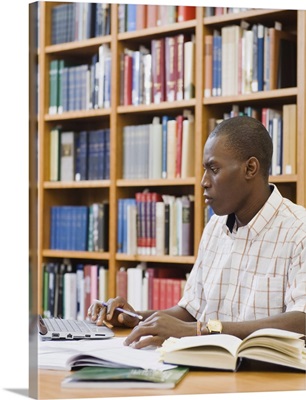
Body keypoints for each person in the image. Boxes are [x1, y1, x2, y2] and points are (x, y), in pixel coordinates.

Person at [88, 116, 306, 349]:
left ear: (250, 168)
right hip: (209, 368)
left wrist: (201, 330)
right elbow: (192, 311)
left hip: (270, 378)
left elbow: (302, 320)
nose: (203, 182)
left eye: (214, 169)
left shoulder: (299, 231)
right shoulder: (214, 227)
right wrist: (138, 319)